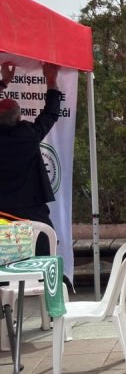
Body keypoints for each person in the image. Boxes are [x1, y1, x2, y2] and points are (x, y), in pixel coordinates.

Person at [0, 62, 61, 253]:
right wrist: (51, 79)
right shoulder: (29, 135)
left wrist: (4, 82)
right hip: (31, 209)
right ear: (19, 118)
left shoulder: (29, 134)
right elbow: (51, 113)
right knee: (44, 248)